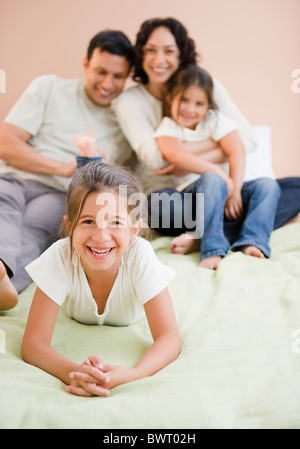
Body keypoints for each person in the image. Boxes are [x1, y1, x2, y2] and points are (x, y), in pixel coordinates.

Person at [115, 17, 300, 250]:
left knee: (293, 187)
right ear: (141, 55)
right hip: (178, 199)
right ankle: (252, 225)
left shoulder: (205, 87)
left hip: (226, 192)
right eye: (150, 50)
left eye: (169, 51)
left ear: (181, 55)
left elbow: (248, 139)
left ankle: (203, 237)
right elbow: (157, 157)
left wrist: (192, 164)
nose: (159, 59)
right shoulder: (130, 101)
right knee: (155, 208)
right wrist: (219, 149)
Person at [0, 30, 135, 310]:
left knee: (37, 233)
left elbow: (117, 186)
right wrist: (61, 167)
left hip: (57, 195)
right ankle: (3, 271)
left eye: (118, 76)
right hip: (11, 178)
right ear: (86, 64)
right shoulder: (48, 87)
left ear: (128, 77)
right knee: (4, 212)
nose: (108, 84)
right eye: (100, 72)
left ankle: (6, 284)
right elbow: (5, 141)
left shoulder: (126, 122)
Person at [21, 162, 180, 397]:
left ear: (134, 230)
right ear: (69, 226)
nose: (101, 236)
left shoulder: (140, 255)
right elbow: (33, 343)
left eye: (115, 222)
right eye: (88, 221)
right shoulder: (61, 255)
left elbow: (169, 338)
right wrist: (76, 373)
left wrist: (134, 374)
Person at [154, 65, 281, 268]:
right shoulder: (168, 126)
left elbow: (236, 150)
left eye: (199, 103)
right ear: (171, 98)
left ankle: (251, 240)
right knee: (156, 203)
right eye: (184, 100)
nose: (190, 109)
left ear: (208, 106)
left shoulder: (214, 121)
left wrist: (236, 190)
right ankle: (212, 247)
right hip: (192, 200)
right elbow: (174, 154)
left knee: (269, 185)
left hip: (227, 194)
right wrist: (218, 173)